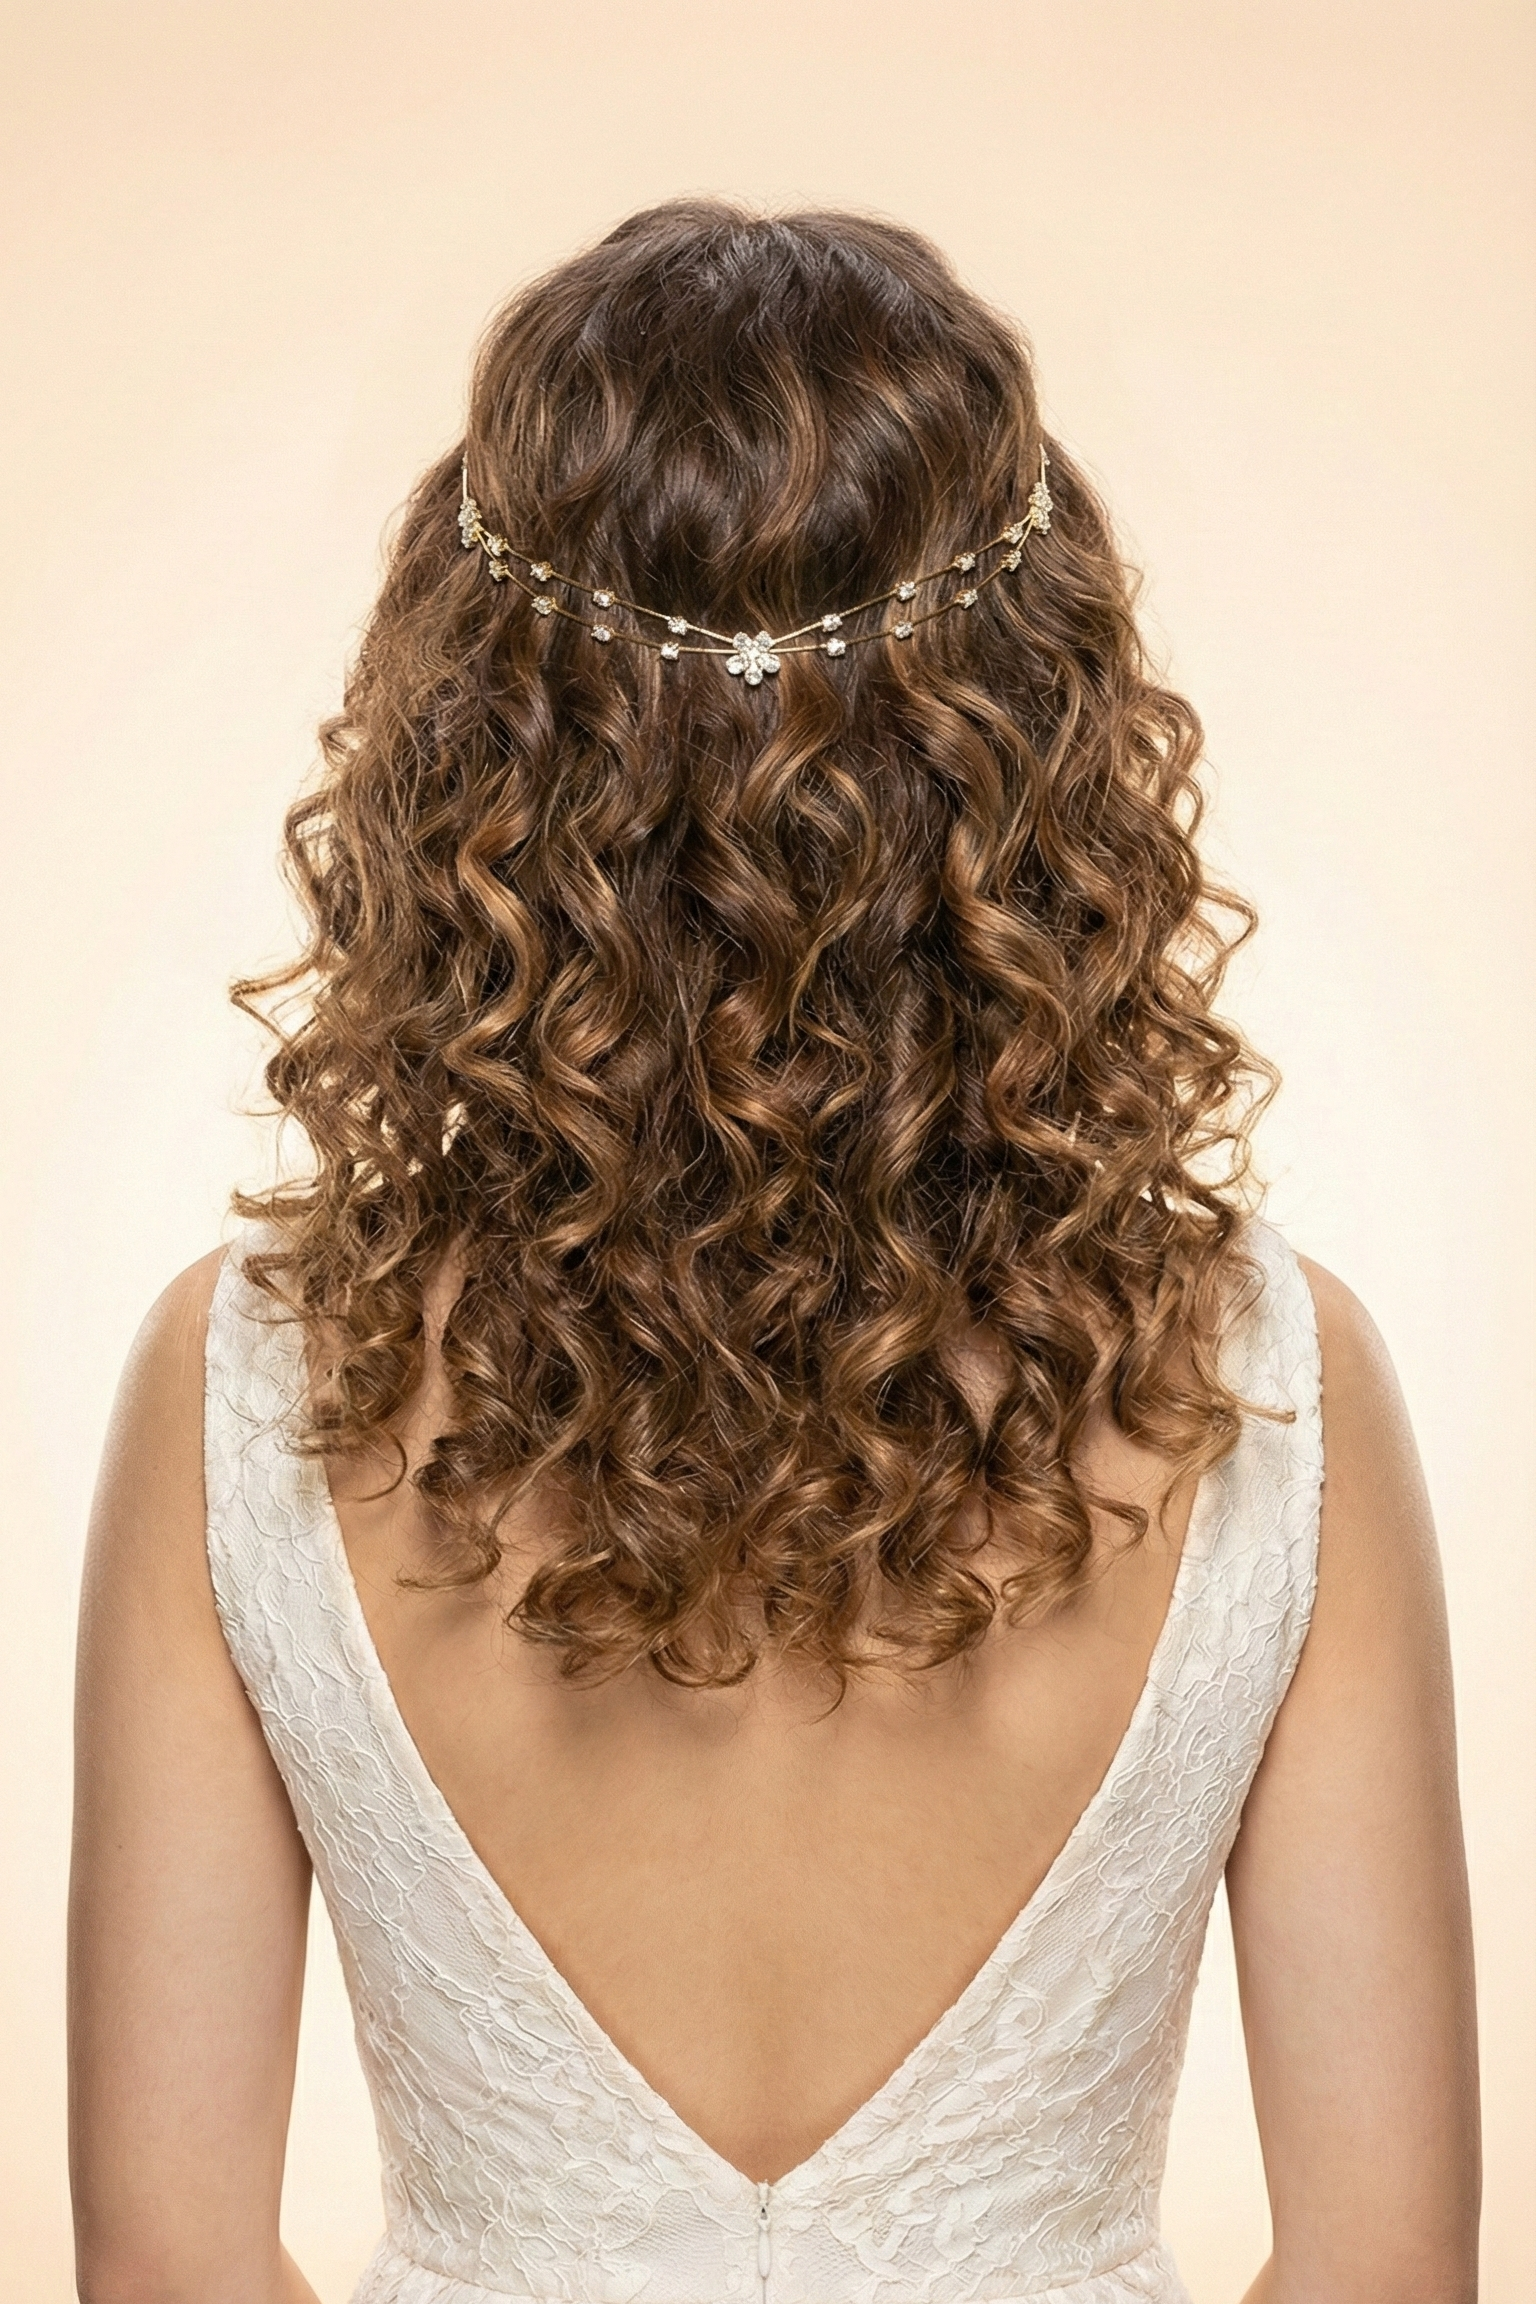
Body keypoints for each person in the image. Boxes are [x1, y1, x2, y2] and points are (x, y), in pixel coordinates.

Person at [67, 201, 1479, 2304]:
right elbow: (1387, 2265)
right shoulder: (1267, 1378)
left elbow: (167, 2261)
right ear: (1033, 731)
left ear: (481, 738)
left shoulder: (248, 1379)